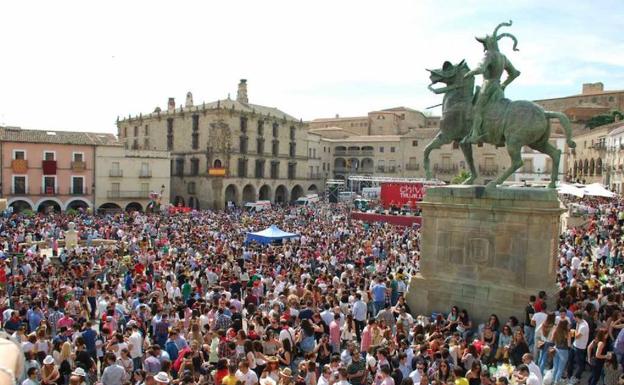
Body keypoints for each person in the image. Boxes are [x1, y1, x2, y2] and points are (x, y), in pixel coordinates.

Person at [550, 318, 570, 385]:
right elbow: (569, 344)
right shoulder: (567, 332)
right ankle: (556, 382)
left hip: (556, 349)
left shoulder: (555, 330)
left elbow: (552, 340)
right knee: (561, 368)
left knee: (555, 367)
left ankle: (552, 381)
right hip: (564, 351)